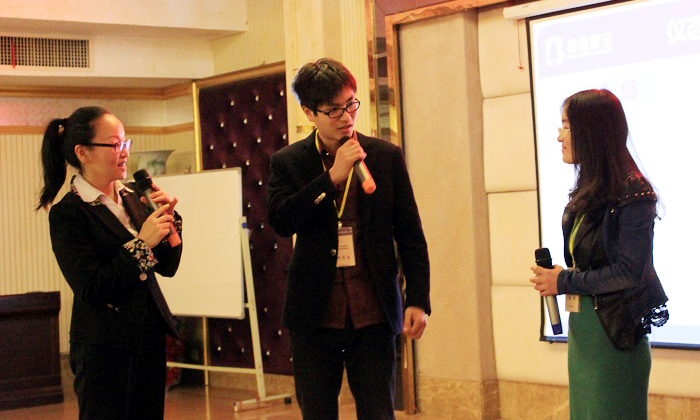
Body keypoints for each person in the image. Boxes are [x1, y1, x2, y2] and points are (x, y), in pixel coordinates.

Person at [267, 58, 431, 420]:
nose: (346, 117)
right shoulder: (289, 162)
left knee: (378, 412)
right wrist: (331, 178)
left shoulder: (385, 156)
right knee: (318, 413)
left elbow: (410, 233)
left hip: (373, 312)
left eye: (351, 104)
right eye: (333, 110)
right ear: (309, 112)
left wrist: (418, 298)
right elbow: (281, 220)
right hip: (314, 316)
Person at [36, 106, 183, 420]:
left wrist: (171, 224)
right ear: (83, 152)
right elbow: (91, 287)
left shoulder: (134, 196)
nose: (124, 152)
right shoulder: (70, 212)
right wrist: (141, 245)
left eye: (125, 143)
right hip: (103, 344)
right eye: (115, 145)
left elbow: (167, 267)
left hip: (148, 336)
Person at [529, 89, 668, 419]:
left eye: (567, 126)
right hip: (586, 332)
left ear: (591, 130)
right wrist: (563, 277)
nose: (559, 136)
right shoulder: (590, 189)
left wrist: (564, 280)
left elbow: (629, 271)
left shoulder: (634, 190)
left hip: (614, 337)